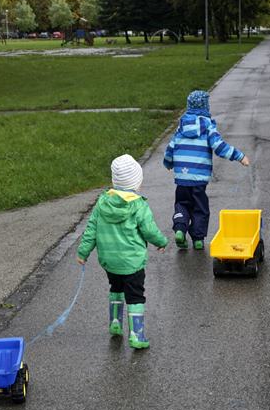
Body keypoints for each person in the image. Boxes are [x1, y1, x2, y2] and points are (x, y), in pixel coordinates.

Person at [77, 154, 168, 349]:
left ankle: (115, 323)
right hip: (132, 262)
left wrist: (83, 252)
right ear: (136, 182)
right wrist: (161, 241)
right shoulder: (138, 205)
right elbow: (149, 230)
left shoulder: (102, 203)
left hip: (110, 262)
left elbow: (91, 230)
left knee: (116, 288)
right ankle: (137, 335)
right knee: (135, 295)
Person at [163, 90, 250, 250]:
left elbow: (171, 147)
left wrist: (168, 163)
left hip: (182, 177)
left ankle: (180, 229)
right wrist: (239, 156)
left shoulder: (181, 126)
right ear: (205, 107)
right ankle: (198, 239)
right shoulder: (208, 126)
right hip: (199, 178)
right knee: (200, 208)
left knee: (181, 204)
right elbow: (220, 147)